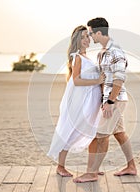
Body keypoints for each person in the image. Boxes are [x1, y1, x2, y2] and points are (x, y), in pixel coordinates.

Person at [74, 18, 137, 183]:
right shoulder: (103, 52)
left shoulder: (115, 52)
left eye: (91, 33)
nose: (90, 36)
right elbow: (104, 79)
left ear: (99, 32)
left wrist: (110, 102)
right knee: (119, 133)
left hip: (115, 101)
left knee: (101, 136)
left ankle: (92, 173)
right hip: (110, 100)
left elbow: (119, 79)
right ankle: (132, 166)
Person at [47, 25, 105, 177]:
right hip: (81, 102)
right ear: (78, 40)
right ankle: (60, 167)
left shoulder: (87, 57)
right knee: (71, 130)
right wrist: (98, 80)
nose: (87, 39)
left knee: (91, 132)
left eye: (87, 36)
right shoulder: (77, 57)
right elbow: (77, 80)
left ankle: (93, 168)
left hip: (90, 101)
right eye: (84, 37)